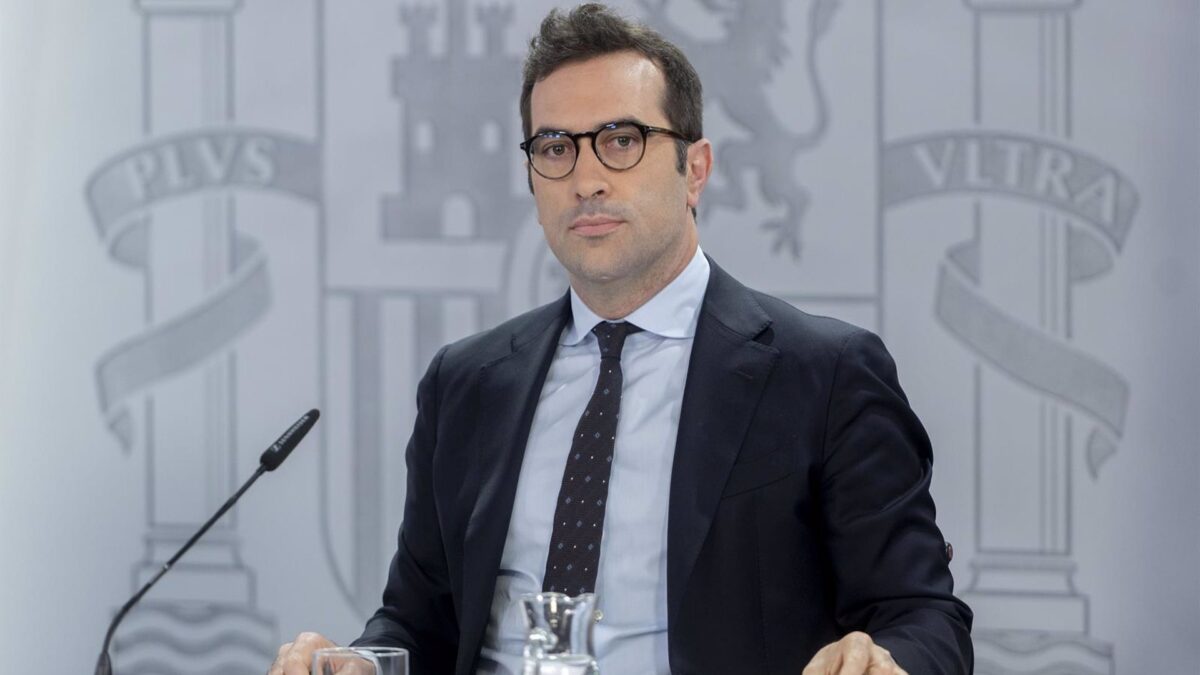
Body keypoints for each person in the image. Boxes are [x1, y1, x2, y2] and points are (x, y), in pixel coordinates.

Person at [270, 4, 972, 674]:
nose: (586, 179)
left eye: (621, 141)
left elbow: (921, 617)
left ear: (696, 169)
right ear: (532, 180)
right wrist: (361, 661)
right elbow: (418, 623)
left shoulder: (824, 375)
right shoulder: (465, 384)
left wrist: (885, 661)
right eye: (556, 148)